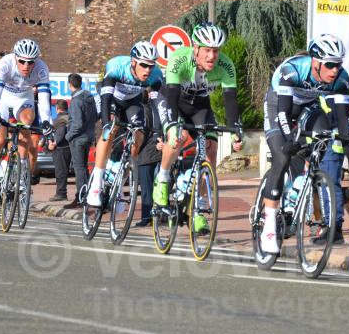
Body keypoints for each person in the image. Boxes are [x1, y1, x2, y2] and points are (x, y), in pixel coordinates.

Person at [257, 34, 349, 254]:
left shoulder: (341, 79)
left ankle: (305, 182)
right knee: (283, 156)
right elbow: (284, 114)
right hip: (279, 105)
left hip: (307, 106)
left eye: (339, 64)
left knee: (324, 134)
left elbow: (343, 121)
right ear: (316, 62)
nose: (335, 70)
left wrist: (348, 147)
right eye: (331, 65)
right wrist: (288, 140)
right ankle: (268, 227)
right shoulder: (293, 70)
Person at [153, 22, 244, 234]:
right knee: (178, 138)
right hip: (173, 101)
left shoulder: (226, 66)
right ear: (196, 48)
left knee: (211, 149)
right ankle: (163, 178)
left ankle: (199, 209)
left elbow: (230, 101)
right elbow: (173, 95)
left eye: (216, 50)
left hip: (200, 107)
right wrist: (174, 127)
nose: (212, 56)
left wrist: (235, 133)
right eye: (207, 50)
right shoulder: (179, 59)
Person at [0, 39, 53, 210]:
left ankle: (21, 171)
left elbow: (44, 97)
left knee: (27, 123)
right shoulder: (5, 63)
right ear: (15, 57)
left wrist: (47, 120)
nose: (26, 65)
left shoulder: (41, 68)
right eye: (22, 61)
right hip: (3, 100)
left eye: (30, 62)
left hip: (24, 100)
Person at [86, 40, 162, 207]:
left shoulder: (156, 76)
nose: (148, 70)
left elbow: (157, 106)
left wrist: (159, 132)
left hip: (132, 102)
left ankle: (119, 183)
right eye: (144, 65)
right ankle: (96, 185)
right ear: (133, 62)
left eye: (151, 65)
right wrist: (106, 124)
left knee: (138, 138)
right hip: (112, 99)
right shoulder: (116, 67)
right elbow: (106, 98)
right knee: (111, 129)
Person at [66, 73, 97, 203]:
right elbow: (96, 116)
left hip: (78, 139)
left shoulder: (76, 100)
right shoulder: (89, 98)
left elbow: (77, 124)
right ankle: (87, 194)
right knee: (84, 168)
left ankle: (81, 196)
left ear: (70, 85)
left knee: (79, 169)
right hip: (88, 136)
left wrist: (68, 136)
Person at [134, 96, 163, 227]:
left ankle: (147, 217)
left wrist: (135, 148)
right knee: (158, 186)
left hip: (146, 152)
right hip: (157, 149)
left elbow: (142, 132)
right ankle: (158, 215)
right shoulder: (156, 108)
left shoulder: (143, 110)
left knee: (147, 188)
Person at [49, 99, 70, 202]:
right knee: (64, 171)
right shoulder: (69, 117)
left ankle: (61, 194)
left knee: (60, 172)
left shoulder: (60, 119)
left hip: (61, 148)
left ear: (57, 108)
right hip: (69, 147)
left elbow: (60, 132)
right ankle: (62, 193)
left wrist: (54, 143)